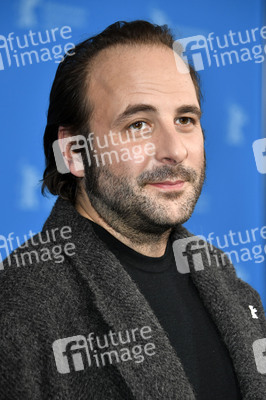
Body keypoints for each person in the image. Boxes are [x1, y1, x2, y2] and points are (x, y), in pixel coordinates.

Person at [0, 20, 266, 400]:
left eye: (185, 120)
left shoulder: (234, 291)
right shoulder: (18, 311)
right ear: (75, 153)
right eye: (139, 124)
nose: (174, 149)